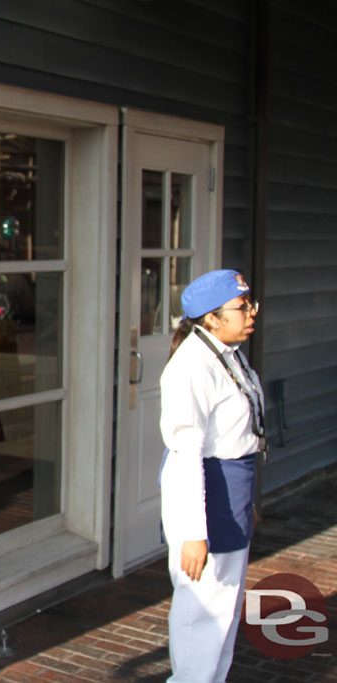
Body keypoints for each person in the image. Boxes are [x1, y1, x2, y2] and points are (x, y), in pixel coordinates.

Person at [159, 269, 265, 682]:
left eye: (249, 303)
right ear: (211, 318)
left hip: (231, 489)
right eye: (242, 307)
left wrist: (247, 503)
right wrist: (192, 533)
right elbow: (187, 453)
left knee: (225, 614)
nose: (252, 312)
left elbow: (238, 434)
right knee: (201, 618)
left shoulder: (227, 353)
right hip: (207, 493)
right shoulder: (192, 367)